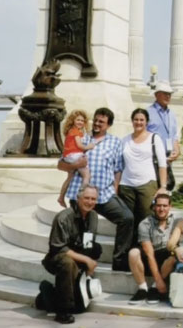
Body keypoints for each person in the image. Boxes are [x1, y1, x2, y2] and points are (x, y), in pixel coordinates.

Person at [57, 108, 133, 271]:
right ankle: (83, 260)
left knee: (127, 218)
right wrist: (76, 165)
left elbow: (118, 168)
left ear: (109, 125)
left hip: (104, 194)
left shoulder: (115, 142)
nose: (97, 124)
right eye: (96, 120)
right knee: (86, 231)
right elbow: (61, 164)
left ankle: (119, 259)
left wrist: (115, 188)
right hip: (81, 194)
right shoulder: (80, 136)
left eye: (102, 122)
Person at [41, 185, 102, 324]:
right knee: (67, 263)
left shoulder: (93, 216)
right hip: (57, 257)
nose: (90, 202)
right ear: (78, 198)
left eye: (93, 199)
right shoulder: (63, 217)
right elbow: (59, 248)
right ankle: (63, 311)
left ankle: (47, 295)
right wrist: (86, 260)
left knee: (96, 248)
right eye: (86, 198)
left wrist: (89, 268)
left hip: (78, 253)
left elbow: (88, 242)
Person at [119, 108, 169, 245]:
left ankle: (145, 253)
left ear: (146, 122)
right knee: (127, 221)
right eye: (136, 119)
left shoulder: (154, 138)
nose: (138, 122)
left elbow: (162, 164)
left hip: (147, 184)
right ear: (132, 121)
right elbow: (119, 165)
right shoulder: (125, 140)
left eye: (142, 120)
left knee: (145, 221)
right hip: (126, 185)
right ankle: (127, 254)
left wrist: (163, 187)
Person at [127, 193, 177, 305]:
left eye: (165, 206)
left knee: (174, 256)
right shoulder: (145, 224)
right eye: (159, 206)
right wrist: (160, 280)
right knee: (133, 253)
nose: (161, 209)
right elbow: (149, 253)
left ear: (170, 207)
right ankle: (142, 288)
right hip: (150, 257)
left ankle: (154, 288)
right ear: (154, 207)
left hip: (166, 259)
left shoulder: (176, 222)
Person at [57, 110, 95, 206]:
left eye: (82, 121)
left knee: (69, 177)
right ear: (73, 121)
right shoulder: (75, 132)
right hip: (74, 155)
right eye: (78, 120)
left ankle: (61, 198)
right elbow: (80, 146)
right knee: (86, 175)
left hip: (68, 156)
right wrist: (89, 146)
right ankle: (81, 197)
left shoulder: (72, 131)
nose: (80, 122)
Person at [146, 81, 181, 182]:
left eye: (169, 94)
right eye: (165, 93)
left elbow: (174, 135)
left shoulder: (172, 115)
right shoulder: (148, 112)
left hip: (168, 157)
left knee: (166, 186)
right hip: (153, 157)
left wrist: (176, 150)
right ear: (157, 95)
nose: (168, 96)